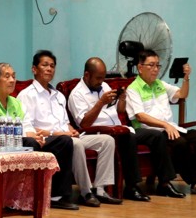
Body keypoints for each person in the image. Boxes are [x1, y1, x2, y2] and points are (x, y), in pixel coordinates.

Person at [17, 51, 120, 207]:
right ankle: (86, 192)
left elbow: (65, 122)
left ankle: (100, 189)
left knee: (107, 140)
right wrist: (60, 133)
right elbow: (28, 127)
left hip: (66, 135)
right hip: (48, 139)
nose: (49, 69)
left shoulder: (58, 95)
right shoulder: (26, 95)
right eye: (45, 65)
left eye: (52, 66)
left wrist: (72, 130)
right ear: (34, 69)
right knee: (74, 143)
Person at [66, 57, 171, 201]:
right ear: (87, 75)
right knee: (128, 138)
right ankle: (132, 186)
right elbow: (84, 124)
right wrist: (100, 103)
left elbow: (119, 110)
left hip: (120, 128)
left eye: (103, 78)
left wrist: (122, 99)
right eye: (98, 78)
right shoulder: (77, 94)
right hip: (99, 132)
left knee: (156, 135)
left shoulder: (104, 86)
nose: (101, 81)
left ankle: (165, 183)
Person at [0, 62, 78, 210]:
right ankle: (28, 197)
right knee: (31, 142)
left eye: (14, 76)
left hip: (21, 140)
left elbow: (28, 126)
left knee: (64, 141)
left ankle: (57, 196)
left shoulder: (16, 103)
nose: (12, 80)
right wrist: (28, 137)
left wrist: (35, 137)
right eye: (7, 76)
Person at [125, 50, 196, 196]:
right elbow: (140, 116)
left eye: (157, 65)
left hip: (171, 128)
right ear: (140, 67)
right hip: (153, 131)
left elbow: (182, 94)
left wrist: (186, 78)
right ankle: (195, 181)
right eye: (151, 65)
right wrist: (165, 125)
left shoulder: (160, 84)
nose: (155, 69)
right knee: (180, 143)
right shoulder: (133, 89)